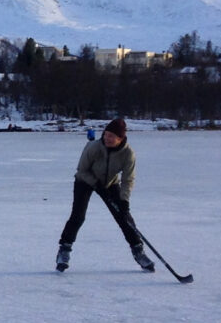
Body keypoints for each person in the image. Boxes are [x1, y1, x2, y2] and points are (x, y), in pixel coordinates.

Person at [56, 117, 154, 273]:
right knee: (78, 216)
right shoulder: (93, 147)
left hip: (110, 183)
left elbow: (128, 179)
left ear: (120, 138)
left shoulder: (128, 154)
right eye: (106, 134)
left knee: (124, 218)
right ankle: (64, 250)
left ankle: (138, 251)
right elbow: (81, 170)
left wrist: (124, 200)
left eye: (111, 136)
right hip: (85, 181)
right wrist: (95, 184)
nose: (107, 138)